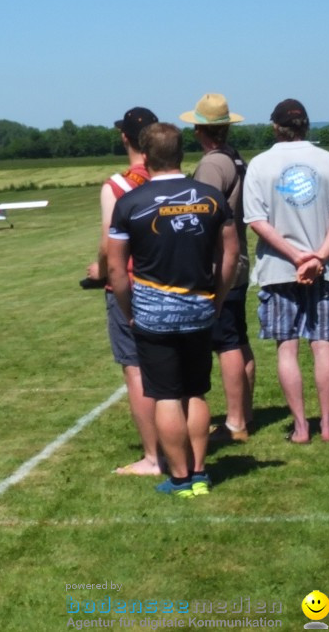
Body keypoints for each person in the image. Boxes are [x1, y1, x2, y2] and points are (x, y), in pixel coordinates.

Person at [107, 123, 238, 499]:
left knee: (166, 395)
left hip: (152, 313)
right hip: (200, 308)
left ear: (145, 157)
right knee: (196, 392)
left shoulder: (129, 203)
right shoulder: (212, 198)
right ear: (182, 154)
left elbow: (117, 270)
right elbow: (229, 253)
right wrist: (218, 295)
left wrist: (127, 308)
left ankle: (180, 479)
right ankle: (200, 473)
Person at [243, 98, 329, 444]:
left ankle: (300, 428)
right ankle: (328, 426)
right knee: (322, 344)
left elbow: (256, 221)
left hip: (279, 270)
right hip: (322, 271)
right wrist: (318, 258)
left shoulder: (261, 164)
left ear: (275, 127)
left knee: (287, 346)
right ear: (306, 125)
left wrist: (296, 257)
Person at [84, 106, 162, 475]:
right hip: (172, 283)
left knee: (135, 370)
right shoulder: (172, 178)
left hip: (130, 284)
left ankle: (153, 456)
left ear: (125, 138)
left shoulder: (116, 185)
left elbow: (108, 243)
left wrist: (100, 269)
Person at [180, 93, 256, 443]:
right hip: (237, 258)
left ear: (200, 129)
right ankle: (244, 415)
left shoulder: (211, 165)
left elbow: (202, 213)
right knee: (238, 339)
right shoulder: (234, 157)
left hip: (220, 263)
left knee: (225, 342)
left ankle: (235, 423)